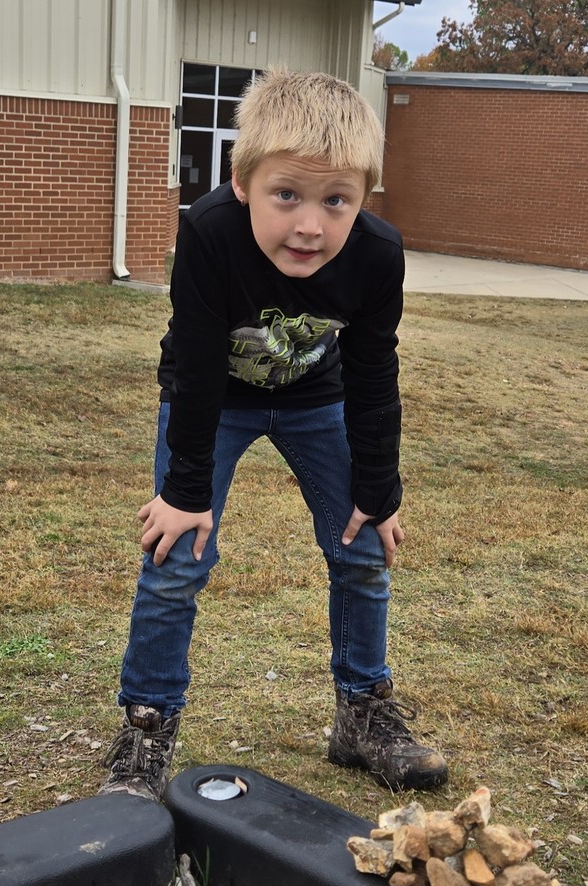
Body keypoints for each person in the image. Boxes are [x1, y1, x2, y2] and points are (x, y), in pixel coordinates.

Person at [100, 68, 447, 801]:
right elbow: (194, 362)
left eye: (336, 201)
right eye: (285, 194)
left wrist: (378, 491)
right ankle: (146, 725)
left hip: (318, 401)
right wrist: (185, 490)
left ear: (363, 199)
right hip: (213, 402)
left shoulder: (378, 254)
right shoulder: (208, 230)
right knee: (177, 555)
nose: (310, 226)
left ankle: (362, 714)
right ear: (242, 182)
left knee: (361, 547)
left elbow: (375, 372)